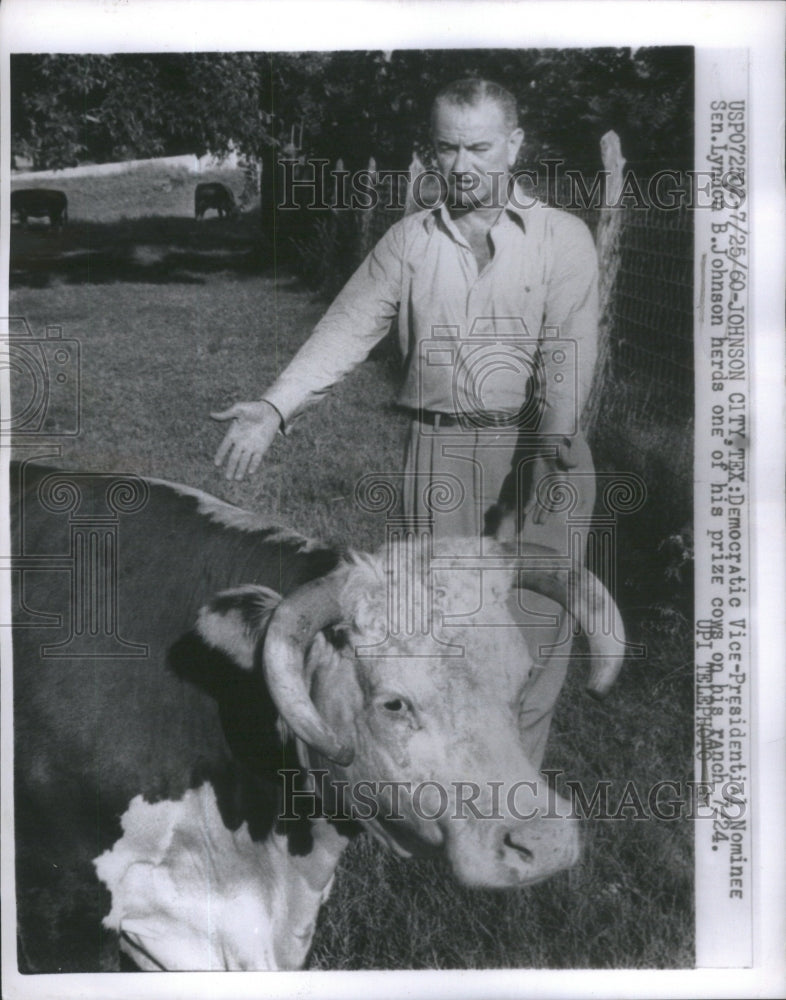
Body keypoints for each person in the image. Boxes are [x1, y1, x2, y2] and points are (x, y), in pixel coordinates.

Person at [212, 79, 599, 768]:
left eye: (480, 146)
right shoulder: (409, 242)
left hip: (545, 448)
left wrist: (546, 467)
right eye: (448, 149)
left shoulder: (562, 239)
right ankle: (445, 786)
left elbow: (567, 361)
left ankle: (517, 785)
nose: (464, 165)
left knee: (538, 634)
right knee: (443, 634)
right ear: (432, 152)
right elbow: (344, 330)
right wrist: (273, 408)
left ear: (514, 144)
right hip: (442, 451)